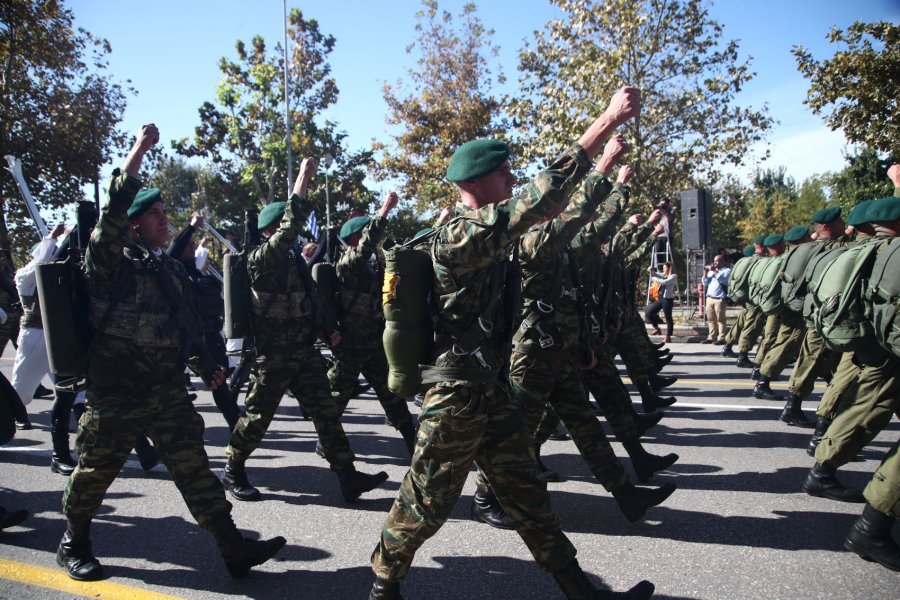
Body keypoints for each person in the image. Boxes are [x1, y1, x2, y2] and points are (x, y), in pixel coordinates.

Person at [369, 87, 655, 600]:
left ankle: (579, 589)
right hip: (455, 393)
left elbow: (562, 218)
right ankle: (383, 585)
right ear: (476, 183)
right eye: (504, 174)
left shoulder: (494, 236)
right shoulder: (461, 237)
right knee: (426, 501)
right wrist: (605, 122)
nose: (512, 179)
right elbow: (541, 197)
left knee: (526, 491)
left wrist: (607, 170)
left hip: (490, 389)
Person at [58, 123, 284, 582]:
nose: (164, 219)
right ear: (133, 224)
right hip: (117, 394)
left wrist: (205, 365)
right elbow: (113, 209)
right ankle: (73, 542)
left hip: (166, 393)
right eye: (154, 214)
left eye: (164, 211)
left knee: (195, 470)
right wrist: (139, 150)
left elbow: (181, 329)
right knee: (95, 474)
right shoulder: (108, 263)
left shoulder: (169, 270)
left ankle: (232, 547)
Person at [222, 158, 389, 505]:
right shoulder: (261, 259)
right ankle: (233, 467)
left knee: (326, 411)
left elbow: (309, 300)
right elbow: (290, 225)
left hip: (302, 351)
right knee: (257, 416)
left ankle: (347, 476)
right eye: (286, 228)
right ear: (271, 231)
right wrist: (302, 177)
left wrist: (324, 331)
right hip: (273, 355)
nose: (294, 234)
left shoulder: (292, 261)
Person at [327, 193, 417, 456]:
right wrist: (384, 211)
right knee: (334, 401)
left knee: (393, 397)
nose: (373, 240)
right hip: (350, 347)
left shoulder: (372, 266)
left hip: (374, 344)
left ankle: (413, 446)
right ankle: (330, 446)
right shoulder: (347, 264)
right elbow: (366, 247)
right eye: (367, 233)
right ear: (356, 237)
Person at [167, 214, 243, 431]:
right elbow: (172, 252)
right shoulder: (171, 270)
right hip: (183, 339)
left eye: (194, 244)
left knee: (218, 381)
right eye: (188, 244)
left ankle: (235, 423)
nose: (191, 247)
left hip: (209, 337)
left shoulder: (200, 275)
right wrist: (191, 227)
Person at [702, 254, 731, 344]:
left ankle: (721, 338)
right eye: (714, 261)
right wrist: (706, 272)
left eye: (717, 261)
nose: (715, 263)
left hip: (720, 299)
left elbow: (722, 280)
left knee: (720, 319)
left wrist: (714, 270)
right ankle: (711, 337)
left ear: (723, 262)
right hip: (710, 298)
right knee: (711, 319)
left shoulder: (727, 271)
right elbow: (705, 283)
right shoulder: (711, 271)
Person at [646, 262, 677, 343]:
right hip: (661, 298)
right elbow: (657, 275)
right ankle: (656, 328)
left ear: (669, 268)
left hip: (667, 299)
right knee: (649, 313)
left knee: (668, 318)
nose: (664, 270)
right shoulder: (665, 275)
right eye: (663, 268)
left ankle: (668, 336)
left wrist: (652, 278)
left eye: (665, 268)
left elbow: (664, 282)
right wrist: (651, 271)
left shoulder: (673, 276)